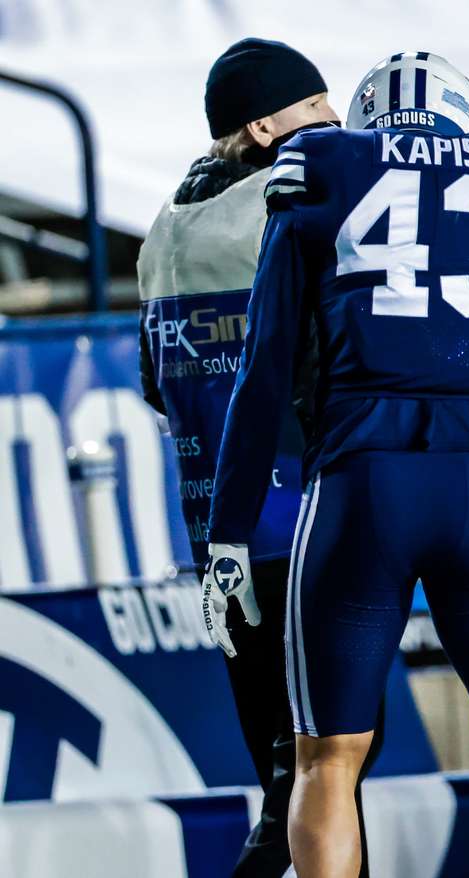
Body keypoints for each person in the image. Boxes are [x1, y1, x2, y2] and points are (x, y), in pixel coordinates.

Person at [205, 51, 469, 878]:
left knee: (328, 759)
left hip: (359, 485)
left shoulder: (322, 166)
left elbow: (264, 375)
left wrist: (228, 535)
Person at [137, 37, 382, 878]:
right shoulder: (295, 207)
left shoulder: (164, 233)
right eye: (316, 110)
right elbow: (333, 363)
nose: (336, 123)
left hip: (217, 536)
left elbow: (151, 382)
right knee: (328, 772)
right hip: (308, 520)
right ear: (264, 124)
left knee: (290, 771)